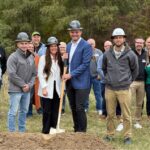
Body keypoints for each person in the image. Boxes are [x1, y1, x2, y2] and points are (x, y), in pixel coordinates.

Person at [102, 28, 139, 144]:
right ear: (113, 39)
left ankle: (127, 136)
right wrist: (110, 79)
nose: (118, 39)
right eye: (116, 37)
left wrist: (127, 82)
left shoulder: (130, 54)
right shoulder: (107, 54)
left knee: (126, 115)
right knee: (110, 114)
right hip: (110, 89)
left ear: (124, 39)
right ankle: (110, 134)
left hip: (124, 89)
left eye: (120, 37)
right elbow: (104, 69)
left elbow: (135, 70)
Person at [63, 20, 92, 132]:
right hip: (70, 82)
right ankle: (76, 130)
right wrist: (64, 60)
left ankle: (82, 132)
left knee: (80, 108)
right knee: (73, 108)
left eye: (77, 32)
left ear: (80, 32)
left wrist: (71, 74)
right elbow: (68, 62)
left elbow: (85, 64)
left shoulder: (86, 46)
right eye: (72, 32)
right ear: (70, 32)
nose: (74, 34)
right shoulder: (69, 45)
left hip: (82, 83)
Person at [7, 32, 36, 132]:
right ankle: (11, 133)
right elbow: (11, 74)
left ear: (28, 44)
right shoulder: (13, 57)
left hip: (27, 90)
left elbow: (34, 74)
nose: (24, 45)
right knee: (13, 112)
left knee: (24, 111)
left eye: (26, 43)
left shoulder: (31, 57)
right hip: (15, 90)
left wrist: (29, 85)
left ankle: (22, 132)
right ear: (17, 44)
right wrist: (23, 85)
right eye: (21, 43)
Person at [38, 36, 64, 135]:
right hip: (47, 89)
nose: (53, 48)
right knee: (47, 111)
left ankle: (53, 129)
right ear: (48, 48)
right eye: (51, 46)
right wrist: (44, 87)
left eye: (55, 46)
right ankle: (45, 131)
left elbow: (61, 74)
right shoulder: (43, 58)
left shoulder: (59, 59)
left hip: (57, 89)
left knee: (55, 111)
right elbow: (40, 74)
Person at [130, 37, 147, 129]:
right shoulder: (130, 53)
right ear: (135, 43)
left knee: (139, 103)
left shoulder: (146, 54)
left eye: (141, 43)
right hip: (132, 82)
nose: (139, 44)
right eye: (137, 42)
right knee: (128, 102)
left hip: (142, 82)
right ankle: (125, 121)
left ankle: (137, 121)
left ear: (143, 44)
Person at [84, 38, 103, 114]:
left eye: (92, 44)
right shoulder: (84, 52)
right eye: (89, 44)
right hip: (86, 77)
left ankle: (99, 108)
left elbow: (102, 64)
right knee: (85, 93)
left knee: (98, 94)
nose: (90, 45)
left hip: (96, 77)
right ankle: (85, 107)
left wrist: (100, 74)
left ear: (95, 44)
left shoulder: (99, 52)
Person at [31, 31, 47, 114]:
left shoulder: (44, 48)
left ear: (40, 38)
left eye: (38, 37)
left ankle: (40, 108)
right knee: (31, 92)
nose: (36, 38)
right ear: (32, 38)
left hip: (42, 72)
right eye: (34, 37)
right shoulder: (28, 47)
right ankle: (29, 110)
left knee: (41, 90)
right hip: (30, 73)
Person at [59, 42, 67, 114]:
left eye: (63, 47)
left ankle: (62, 108)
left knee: (63, 93)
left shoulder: (67, 55)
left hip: (66, 77)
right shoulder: (56, 55)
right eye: (60, 47)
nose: (62, 49)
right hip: (58, 77)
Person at [145, 37, 150, 119]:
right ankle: (149, 114)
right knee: (149, 98)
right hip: (146, 80)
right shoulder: (143, 52)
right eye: (149, 42)